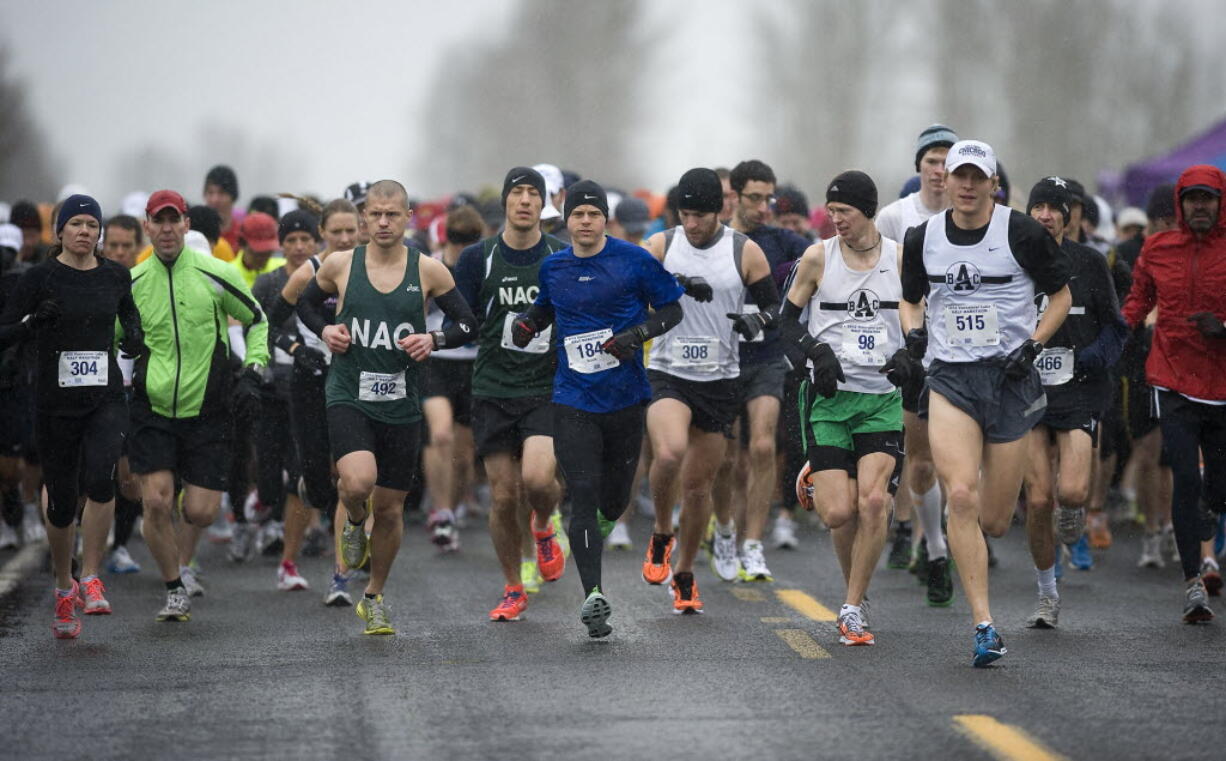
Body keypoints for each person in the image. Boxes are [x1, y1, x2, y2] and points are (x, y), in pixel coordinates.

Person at [896, 140, 1071, 666]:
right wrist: (914, 336)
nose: (967, 187)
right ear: (943, 181)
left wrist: (1034, 345)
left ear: (993, 184)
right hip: (951, 378)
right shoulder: (921, 237)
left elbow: (1060, 295)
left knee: (994, 520)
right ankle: (984, 624)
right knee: (962, 497)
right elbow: (910, 297)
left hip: (1011, 379)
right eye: (959, 177)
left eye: (978, 178)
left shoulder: (1021, 232)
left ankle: (984, 558)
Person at [297, 180, 477, 635]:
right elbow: (305, 303)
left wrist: (433, 339)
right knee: (357, 482)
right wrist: (325, 332)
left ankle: (374, 596)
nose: (382, 222)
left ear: (407, 218)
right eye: (374, 214)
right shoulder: (340, 264)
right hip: (349, 393)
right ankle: (355, 520)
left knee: (393, 510)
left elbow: (468, 323)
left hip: (401, 401)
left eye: (391, 215)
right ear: (362, 219)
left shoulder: (429, 270)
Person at [512, 179, 683, 637]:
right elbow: (544, 308)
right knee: (583, 495)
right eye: (577, 215)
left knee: (614, 498)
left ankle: (591, 538)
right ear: (566, 220)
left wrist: (636, 337)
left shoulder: (634, 260)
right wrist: (528, 324)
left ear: (605, 218)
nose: (585, 222)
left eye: (593, 214)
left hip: (626, 398)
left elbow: (671, 311)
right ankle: (594, 597)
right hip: (572, 398)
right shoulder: (553, 267)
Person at [0, 194, 145, 638]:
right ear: (59, 230)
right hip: (54, 402)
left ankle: (92, 575)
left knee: (102, 475)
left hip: (103, 397)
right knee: (61, 502)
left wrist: (135, 337)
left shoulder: (116, 275)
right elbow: (4, 331)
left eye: (91, 224)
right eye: (76, 223)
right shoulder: (39, 278)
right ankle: (64, 585)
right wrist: (30, 325)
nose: (85, 231)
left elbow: (129, 317)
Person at [128, 189, 270, 621]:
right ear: (147, 227)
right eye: (159, 221)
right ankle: (174, 586)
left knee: (200, 511)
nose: (167, 229)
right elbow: (112, 338)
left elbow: (258, 319)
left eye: (175, 221)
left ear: (186, 225)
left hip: (209, 408)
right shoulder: (132, 283)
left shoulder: (216, 272)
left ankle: (181, 551)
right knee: (156, 502)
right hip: (151, 408)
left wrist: (254, 368)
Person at [641, 167, 776, 612]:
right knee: (668, 452)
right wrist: (676, 284)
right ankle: (662, 530)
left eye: (700, 215)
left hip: (719, 380)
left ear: (719, 211)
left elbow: (777, 308)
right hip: (668, 371)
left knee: (698, 487)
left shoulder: (745, 251)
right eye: (685, 214)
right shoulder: (662, 245)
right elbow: (630, 290)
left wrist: (758, 320)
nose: (692, 224)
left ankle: (684, 572)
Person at [786, 171, 903, 646]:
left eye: (845, 213)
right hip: (830, 401)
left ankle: (852, 605)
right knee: (837, 513)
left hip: (882, 401)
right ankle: (823, 468)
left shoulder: (899, 258)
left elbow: (922, 316)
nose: (836, 220)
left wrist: (910, 354)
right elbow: (784, 324)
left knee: (873, 502)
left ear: (868, 212)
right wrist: (815, 352)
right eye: (831, 212)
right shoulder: (817, 257)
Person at [453, 167, 570, 621]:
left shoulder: (561, 256)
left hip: (545, 387)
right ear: (504, 202)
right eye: (516, 193)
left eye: (532, 194)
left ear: (544, 205)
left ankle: (543, 524)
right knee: (502, 496)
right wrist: (436, 339)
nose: (524, 201)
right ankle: (513, 587)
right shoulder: (476, 259)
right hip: (492, 388)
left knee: (538, 481)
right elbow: (460, 320)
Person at [1020, 177, 1128, 628]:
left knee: (1071, 493)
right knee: (1039, 498)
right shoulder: (1013, 260)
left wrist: (1088, 360)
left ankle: (1078, 513)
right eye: (1038, 206)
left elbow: (1117, 328)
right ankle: (1047, 594)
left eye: (1054, 207)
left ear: (1070, 216)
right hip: (1027, 390)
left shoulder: (1088, 262)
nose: (1045, 214)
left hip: (1080, 388)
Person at [1121, 166, 1226, 624]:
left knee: (1216, 490)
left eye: (1208, 199)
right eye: (1192, 199)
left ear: (1221, 203)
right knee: (1185, 478)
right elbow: (1136, 303)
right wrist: (1113, 340)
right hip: (1173, 377)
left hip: (1222, 385)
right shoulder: (1158, 247)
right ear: (1180, 205)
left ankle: (1212, 506)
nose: (1200, 207)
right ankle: (1192, 585)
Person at [717, 159, 809, 581]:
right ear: (734, 197)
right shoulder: (717, 241)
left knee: (762, 446)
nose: (763, 207)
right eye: (754, 198)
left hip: (767, 357)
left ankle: (753, 544)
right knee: (724, 459)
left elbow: (818, 259)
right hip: (721, 360)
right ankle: (724, 530)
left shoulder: (783, 241)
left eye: (768, 198)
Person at [875, 124, 957, 596]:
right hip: (913, 349)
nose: (941, 171)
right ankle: (936, 551)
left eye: (949, 163)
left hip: (965, 353)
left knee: (961, 464)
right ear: (920, 167)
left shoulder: (978, 216)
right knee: (921, 461)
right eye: (932, 161)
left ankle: (948, 532)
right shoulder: (894, 217)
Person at [267, 198, 359, 605]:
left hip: (354, 381)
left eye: (349, 231)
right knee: (314, 486)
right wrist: (293, 346)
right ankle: (290, 558)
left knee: (350, 478)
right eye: (335, 232)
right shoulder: (310, 272)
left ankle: (341, 576)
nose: (343, 238)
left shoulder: (373, 268)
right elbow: (268, 323)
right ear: (324, 232)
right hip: (310, 380)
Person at [253, 209, 323, 592]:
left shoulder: (327, 278)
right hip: (270, 389)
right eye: (291, 240)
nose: (298, 247)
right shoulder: (268, 283)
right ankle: (264, 513)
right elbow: (258, 325)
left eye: (305, 240)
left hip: (308, 386)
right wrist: (286, 348)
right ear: (282, 245)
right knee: (268, 470)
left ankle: (302, 535)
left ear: (316, 242)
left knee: (302, 469)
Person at [420, 205, 484, 553]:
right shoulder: (429, 266)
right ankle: (441, 511)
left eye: (469, 241)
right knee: (440, 434)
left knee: (465, 449)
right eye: (457, 241)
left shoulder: (481, 267)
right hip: (436, 361)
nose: (462, 249)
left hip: (473, 362)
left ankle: (454, 506)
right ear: (447, 238)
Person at [204, 165, 242, 251]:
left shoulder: (242, 236)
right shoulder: (197, 235)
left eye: (221, 193)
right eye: (210, 193)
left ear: (233, 197)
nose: (215, 200)